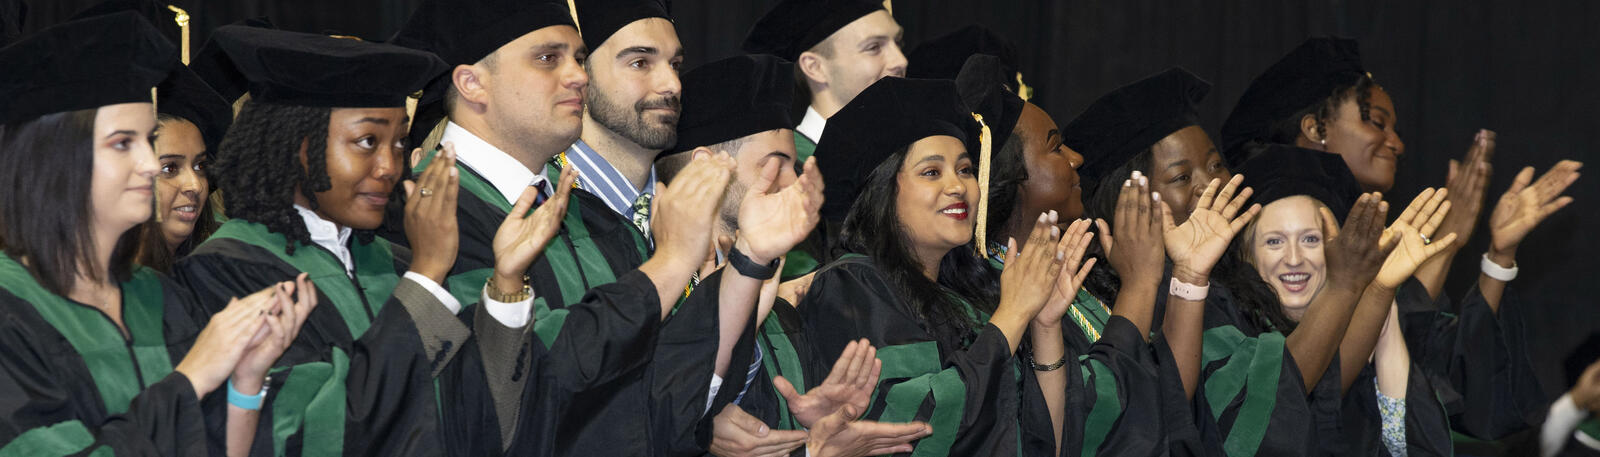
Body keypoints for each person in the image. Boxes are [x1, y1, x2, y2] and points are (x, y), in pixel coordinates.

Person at [0, 13, 308, 455]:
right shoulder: (10, 308)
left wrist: (245, 380)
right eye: (124, 143)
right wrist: (192, 379)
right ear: (57, 158)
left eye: (148, 141)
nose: (148, 164)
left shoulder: (158, 296)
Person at [796, 75, 1092, 455]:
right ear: (884, 190)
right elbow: (913, 425)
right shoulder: (851, 285)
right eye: (932, 172)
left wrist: (1045, 324)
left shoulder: (968, 298)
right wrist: (1014, 316)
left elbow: (1044, 440)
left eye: (966, 169)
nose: (958, 186)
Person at [1236, 147, 1457, 455]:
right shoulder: (1236, 343)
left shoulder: (1357, 326)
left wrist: (1382, 291)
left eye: (1311, 239)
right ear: (1249, 254)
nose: (1295, 258)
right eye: (1274, 241)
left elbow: (1414, 448)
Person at [743, 0, 905, 164]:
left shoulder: (901, 156)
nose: (901, 61)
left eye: (898, 43)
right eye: (874, 47)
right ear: (815, 67)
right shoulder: (790, 173)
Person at [135, 64, 232, 272]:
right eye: (169, 168)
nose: (195, 185)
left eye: (200, 166)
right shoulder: (94, 291)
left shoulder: (219, 275)